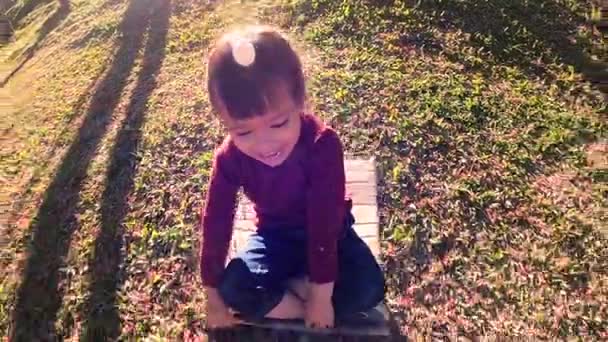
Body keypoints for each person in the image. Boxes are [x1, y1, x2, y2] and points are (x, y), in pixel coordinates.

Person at [201, 25, 384, 330]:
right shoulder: (229, 158)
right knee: (234, 287)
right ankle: (301, 298)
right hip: (275, 236)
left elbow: (325, 223)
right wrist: (212, 297)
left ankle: (296, 293)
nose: (264, 144)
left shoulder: (321, 145)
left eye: (279, 123)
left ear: (299, 100)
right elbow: (216, 222)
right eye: (243, 131)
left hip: (332, 234)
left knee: (369, 290)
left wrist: (322, 296)